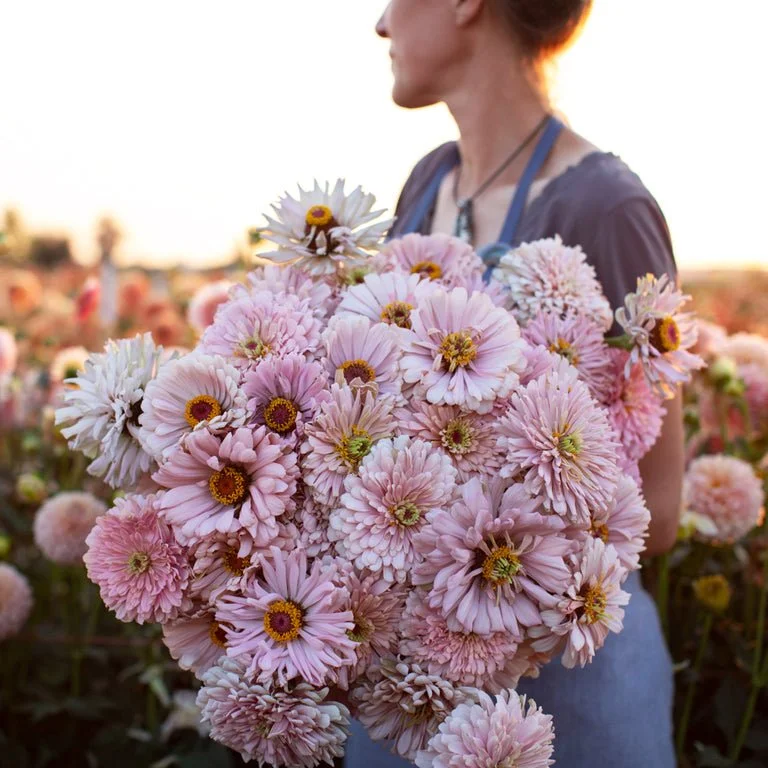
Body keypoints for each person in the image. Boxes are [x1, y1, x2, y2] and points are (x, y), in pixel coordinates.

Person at [343, 2, 682, 766]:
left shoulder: (605, 207)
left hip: (569, 700)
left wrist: (490, 545)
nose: (380, 24)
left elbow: (659, 512)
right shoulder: (429, 182)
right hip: (408, 695)